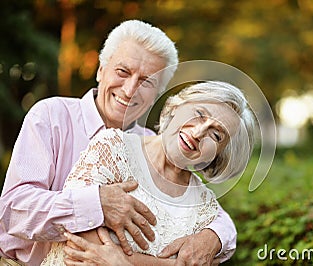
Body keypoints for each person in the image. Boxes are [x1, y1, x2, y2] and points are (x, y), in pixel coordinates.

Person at [0, 20, 236, 265]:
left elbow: (211, 213)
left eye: (147, 82)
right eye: (123, 72)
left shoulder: (152, 145)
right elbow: (13, 211)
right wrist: (97, 203)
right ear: (101, 70)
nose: (130, 89)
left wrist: (213, 236)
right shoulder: (51, 116)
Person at [40, 81, 255, 265]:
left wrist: (123, 262)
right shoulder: (113, 148)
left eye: (216, 135)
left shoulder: (203, 206)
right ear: (177, 106)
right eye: (199, 114)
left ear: (219, 154)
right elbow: (82, 247)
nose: (198, 133)